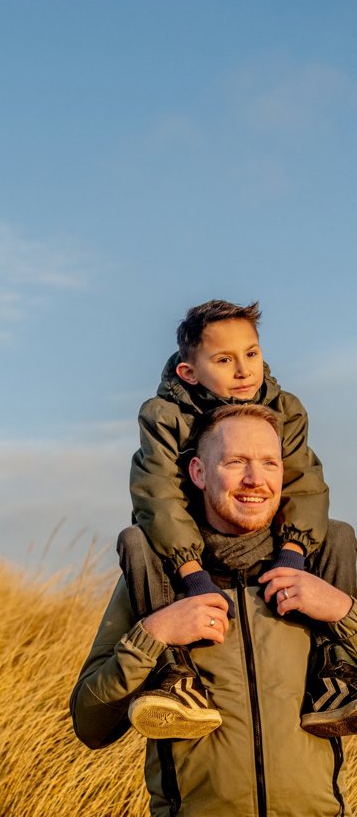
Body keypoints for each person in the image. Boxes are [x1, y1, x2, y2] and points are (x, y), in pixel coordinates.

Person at [70, 405, 357, 816]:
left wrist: (343, 611)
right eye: (236, 462)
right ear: (199, 474)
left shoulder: (323, 569)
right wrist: (153, 635)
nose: (255, 479)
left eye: (269, 463)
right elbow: (90, 724)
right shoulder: (158, 577)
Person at [126, 299, 354, 737]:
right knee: (136, 540)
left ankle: (337, 672)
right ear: (188, 373)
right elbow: (158, 494)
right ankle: (176, 676)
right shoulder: (164, 415)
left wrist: (291, 554)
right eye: (224, 359)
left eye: (251, 353)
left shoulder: (285, 408)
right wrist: (191, 574)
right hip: (195, 545)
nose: (244, 370)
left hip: (265, 539)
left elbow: (304, 484)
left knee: (341, 533)